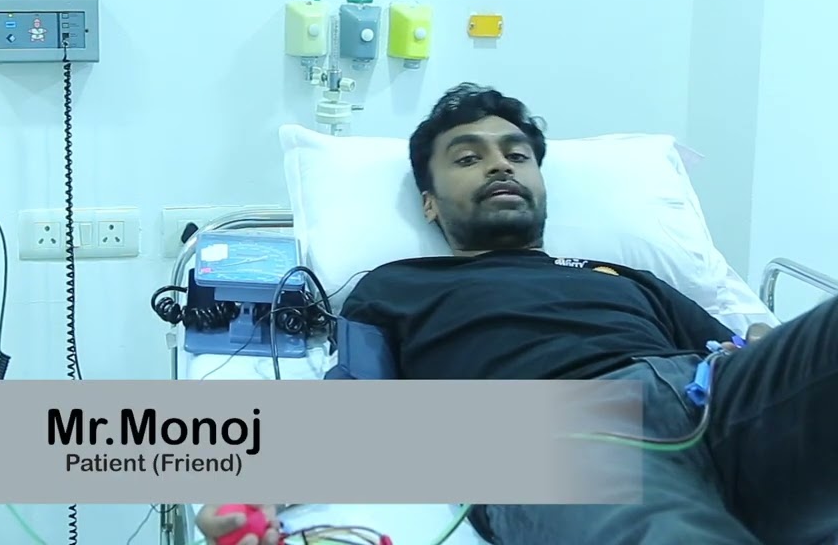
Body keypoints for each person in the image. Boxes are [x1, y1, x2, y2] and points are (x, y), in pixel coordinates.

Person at [308, 82, 834, 545]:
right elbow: (351, 415)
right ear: (429, 203)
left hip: (714, 397)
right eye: (468, 159)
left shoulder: (627, 277)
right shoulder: (395, 285)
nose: (500, 165)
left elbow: (741, 350)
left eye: (518, 156)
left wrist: (762, 340)